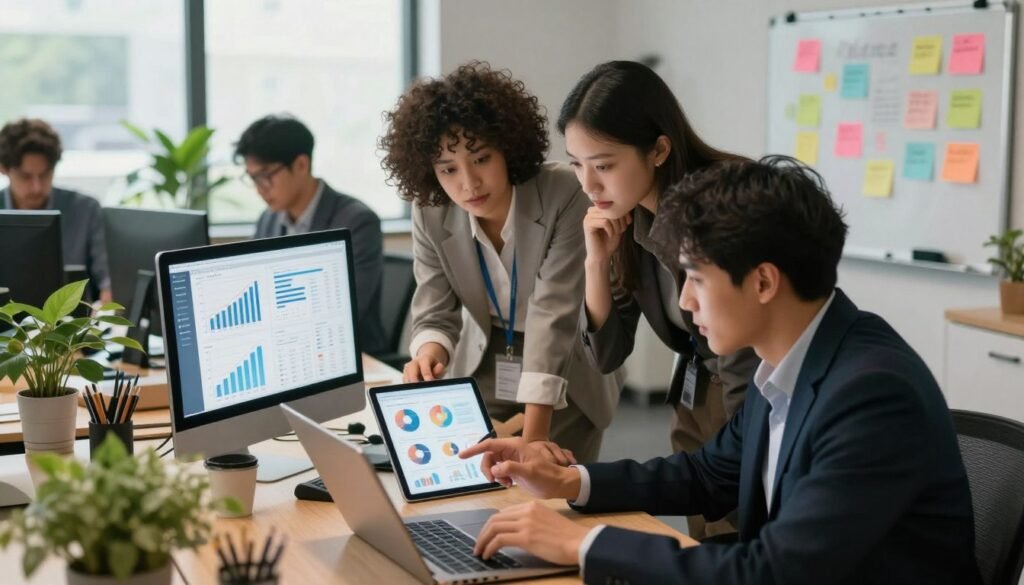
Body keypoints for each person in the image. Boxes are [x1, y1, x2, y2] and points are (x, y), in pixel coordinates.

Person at [460, 156, 981, 585]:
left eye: (696, 279)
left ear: (762, 282)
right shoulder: (795, 356)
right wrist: (569, 481)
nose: (685, 301)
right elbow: (709, 474)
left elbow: (775, 574)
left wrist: (583, 542)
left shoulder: (871, 393)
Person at [379, 61, 622, 462]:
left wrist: (534, 438)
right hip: (486, 358)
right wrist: (429, 352)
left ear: (507, 148)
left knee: (552, 496)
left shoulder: (564, 192)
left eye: (481, 159)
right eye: (448, 169)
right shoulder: (431, 210)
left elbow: (554, 313)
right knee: (474, 479)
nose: (468, 183)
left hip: (566, 368)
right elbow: (434, 306)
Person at [560, 60, 759, 538]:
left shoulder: (725, 204)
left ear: (659, 149)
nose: (588, 186)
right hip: (697, 395)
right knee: (704, 538)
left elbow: (746, 367)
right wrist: (595, 264)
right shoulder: (626, 219)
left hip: (748, 398)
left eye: (604, 165)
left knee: (736, 541)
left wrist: (745, 459)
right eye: (577, 166)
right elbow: (606, 356)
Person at [235, 114, 387, 355]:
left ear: (301, 165)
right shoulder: (268, 220)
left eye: (265, 176)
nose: (259, 189)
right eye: (253, 178)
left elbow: (344, 310)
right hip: (286, 351)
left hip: (348, 356)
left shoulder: (356, 222)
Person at [0, 118, 111, 302]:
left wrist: (100, 318)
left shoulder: (86, 210)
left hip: (73, 328)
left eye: (44, 175)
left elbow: (109, 284)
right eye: (25, 176)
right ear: (4, 169)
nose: (36, 187)